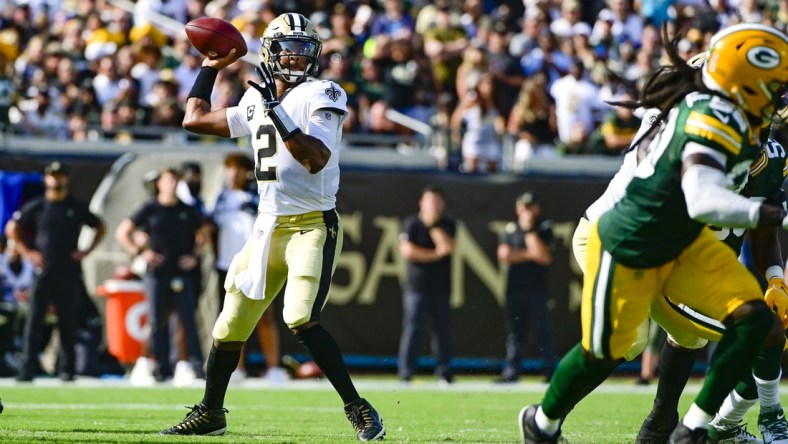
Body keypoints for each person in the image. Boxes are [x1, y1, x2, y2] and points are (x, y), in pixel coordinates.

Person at [521, 23, 788, 444]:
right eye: (773, 85)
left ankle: (687, 429)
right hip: (630, 236)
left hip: (682, 242)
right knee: (622, 345)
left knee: (749, 324)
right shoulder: (706, 117)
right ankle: (542, 425)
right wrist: (772, 214)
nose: (779, 98)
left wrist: (774, 270)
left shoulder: (744, 128)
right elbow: (702, 198)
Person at [159, 13, 385, 440]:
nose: (297, 57)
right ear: (270, 52)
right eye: (289, 48)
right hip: (267, 226)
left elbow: (314, 157)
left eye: (304, 48)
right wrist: (210, 68)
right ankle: (211, 412)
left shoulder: (324, 92)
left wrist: (275, 109)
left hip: (312, 225)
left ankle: (359, 408)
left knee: (299, 315)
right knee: (228, 327)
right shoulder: (255, 99)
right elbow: (193, 119)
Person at [6, 161, 106, 381]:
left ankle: (67, 368)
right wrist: (27, 252)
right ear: (46, 179)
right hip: (44, 271)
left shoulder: (75, 206)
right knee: (34, 320)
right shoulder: (38, 205)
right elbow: (12, 228)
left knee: (68, 320)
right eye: (53, 175)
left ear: (66, 179)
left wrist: (86, 251)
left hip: (69, 272)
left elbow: (99, 225)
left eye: (60, 175)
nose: (56, 179)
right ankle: (28, 367)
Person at [115, 167, 205, 383]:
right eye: (167, 180)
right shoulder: (150, 209)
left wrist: (194, 256)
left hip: (181, 273)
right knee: (157, 321)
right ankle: (158, 368)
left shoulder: (187, 210)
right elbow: (122, 232)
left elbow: (203, 234)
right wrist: (142, 252)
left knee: (187, 320)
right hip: (157, 273)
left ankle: (190, 368)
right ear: (159, 184)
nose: (171, 184)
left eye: (175, 180)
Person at [211, 152, 286, 384]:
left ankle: (273, 368)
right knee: (233, 317)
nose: (233, 173)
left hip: (257, 262)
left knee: (265, 316)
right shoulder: (220, 199)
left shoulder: (259, 197)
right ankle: (237, 369)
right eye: (229, 168)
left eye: (237, 168)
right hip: (227, 264)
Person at [398, 186, 456, 385]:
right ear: (422, 202)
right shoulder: (411, 223)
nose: (434, 205)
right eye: (430, 201)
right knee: (413, 329)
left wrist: (433, 227)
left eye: (437, 201)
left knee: (443, 331)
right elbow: (408, 251)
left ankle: (444, 373)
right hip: (416, 288)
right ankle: (406, 372)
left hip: (441, 288)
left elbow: (447, 248)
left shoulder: (447, 223)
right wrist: (434, 254)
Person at [496, 192, 555, 383]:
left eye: (531, 207)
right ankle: (512, 372)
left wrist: (529, 231)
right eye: (524, 207)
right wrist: (530, 254)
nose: (527, 211)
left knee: (543, 331)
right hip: (515, 289)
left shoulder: (544, 228)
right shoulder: (511, 229)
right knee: (515, 332)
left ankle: (550, 372)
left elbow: (544, 256)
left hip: (537, 289)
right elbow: (504, 255)